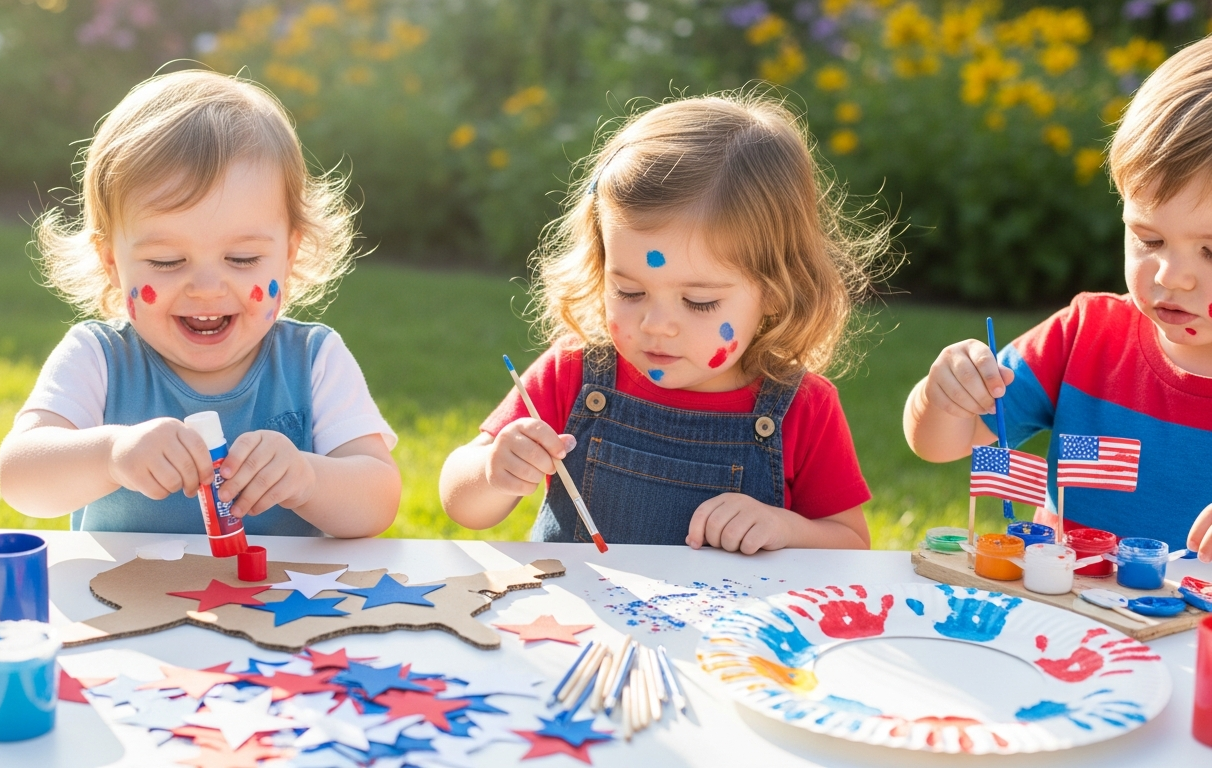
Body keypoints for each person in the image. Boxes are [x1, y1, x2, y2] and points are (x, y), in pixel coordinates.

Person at [439, 91, 888, 552]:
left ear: (774, 291)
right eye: (629, 292)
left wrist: (787, 529)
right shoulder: (575, 373)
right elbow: (461, 504)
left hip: (728, 626)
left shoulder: (803, 409)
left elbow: (850, 546)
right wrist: (495, 470)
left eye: (698, 301)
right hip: (581, 622)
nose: (656, 324)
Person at [0, 70, 400, 538]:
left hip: (278, 609)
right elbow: (19, 478)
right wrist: (111, 454)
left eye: (242, 258)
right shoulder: (100, 358)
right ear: (112, 262)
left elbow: (377, 502)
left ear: (289, 255)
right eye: (167, 261)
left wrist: (307, 478)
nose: (207, 287)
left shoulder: (313, 362)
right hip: (127, 608)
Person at [904, 38, 1212, 560]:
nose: (1171, 275)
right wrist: (943, 397)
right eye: (1149, 240)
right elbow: (940, 444)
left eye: (1210, 250)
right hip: (1066, 620)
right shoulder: (1086, 335)